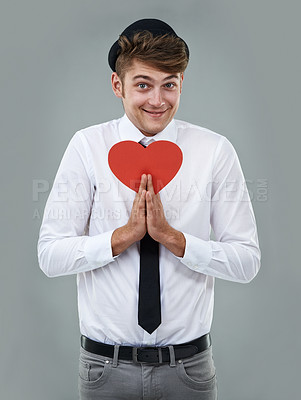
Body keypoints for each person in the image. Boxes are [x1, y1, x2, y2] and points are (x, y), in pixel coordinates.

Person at [37, 18, 260, 400]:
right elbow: (50, 255)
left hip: (189, 371)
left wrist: (175, 240)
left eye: (169, 84)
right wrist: (120, 238)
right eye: (143, 85)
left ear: (181, 84)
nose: (157, 100)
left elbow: (247, 261)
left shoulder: (214, 151)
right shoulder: (87, 147)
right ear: (117, 85)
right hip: (104, 370)